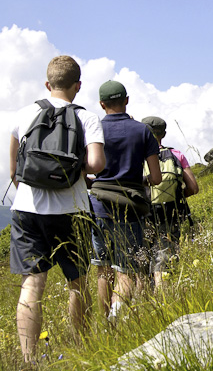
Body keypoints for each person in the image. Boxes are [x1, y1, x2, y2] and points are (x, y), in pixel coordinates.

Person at [8, 56, 106, 364]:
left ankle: (28, 360)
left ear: (47, 84)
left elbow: (14, 169)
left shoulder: (24, 114)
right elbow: (96, 164)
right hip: (72, 209)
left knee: (32, 285)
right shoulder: (86, 118)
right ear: (78, 86)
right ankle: (82, 346)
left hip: (27, 209)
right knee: (77, 282)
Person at [88, 81, 161, 321]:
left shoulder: (93, 128)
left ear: (101, 104)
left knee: (103, 270)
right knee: (126, 271)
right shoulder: (142, 131)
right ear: (126, 100)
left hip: (98, 206)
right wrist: (137, 180)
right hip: (130, 208)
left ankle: (106, 323)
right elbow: (157, 177)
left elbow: (84, 168)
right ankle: (116, 321)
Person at [141, 116, 199, 290]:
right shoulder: (176, 155)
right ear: (163, 134)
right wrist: (176, 197)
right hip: (170, 213)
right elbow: (193, 188)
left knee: (141, 260)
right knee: (164, 259)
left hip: (143, 214)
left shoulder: (136, 157)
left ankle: (143, 304)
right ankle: (164, 299)